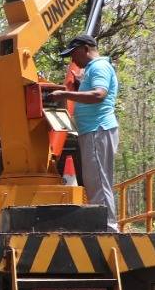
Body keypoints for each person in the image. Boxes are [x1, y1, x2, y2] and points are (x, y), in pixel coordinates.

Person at [48, 34, 119, 232]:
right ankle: (104, 227)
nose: (73, 59)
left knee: (99, 182)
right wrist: (81, 84)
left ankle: (108, 229)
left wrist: (64, 94)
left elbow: (99, 94)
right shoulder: (91, 70)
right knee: (95, 181)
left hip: (98, 130)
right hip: (93, 131)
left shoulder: (99, 66)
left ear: (86, 48)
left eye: (74, 53)